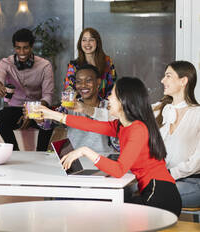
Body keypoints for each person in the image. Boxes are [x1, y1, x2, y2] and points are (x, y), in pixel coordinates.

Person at [38, 77, 182, 216]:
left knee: (103, 214)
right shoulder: (122, 126)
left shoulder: (138, 129)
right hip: (151, 192)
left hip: (160, 198)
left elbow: (119, 170)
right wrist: (52, 114)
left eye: (111, 95)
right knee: (97, 210)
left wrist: (84, 151)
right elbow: (90, 125)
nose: (108, 99)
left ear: (123, 100)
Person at [0, 28, 54, 151]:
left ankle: (41, 153)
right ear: (14, 48)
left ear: (31, 47)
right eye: (18, 48)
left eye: (25, 48)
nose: (22, 52)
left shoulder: (45, 65)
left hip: (37, 108)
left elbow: (48, 95)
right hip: (16, 109)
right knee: (0, 117)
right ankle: (14, 152)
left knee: (50, 119)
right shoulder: (6, 63)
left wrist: (31, 112)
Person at [153, 60, 200, 208]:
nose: (162, 80)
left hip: (192, 182)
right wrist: (89, 110)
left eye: (168, 76)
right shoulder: (161, 109)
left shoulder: (198, 114)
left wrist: (166, 175)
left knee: (153, 195)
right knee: (130, 191)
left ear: (183, 81)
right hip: (162, 179)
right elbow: (125, 115)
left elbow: (196, 161)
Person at [49, 64, 116, 153]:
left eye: (88, 80)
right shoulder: (69, 106)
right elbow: (49, 123)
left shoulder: (109, 106)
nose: (83, 85)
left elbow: (118, 139)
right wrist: (40, 118)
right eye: (79, 82)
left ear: (98, 82)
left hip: (103, 159)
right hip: (75, 159)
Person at [63, 27, 117, 99]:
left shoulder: (107, 62)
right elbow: (69, 88)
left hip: (104, 106)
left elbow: (113, 87)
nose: (87, 43)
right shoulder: (74, 65)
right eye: (84, 40)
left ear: (97, 42)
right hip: (81, 106)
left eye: (91, 40)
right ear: (80, 43)